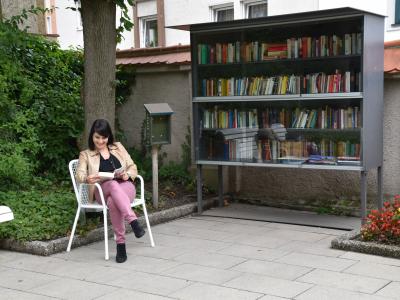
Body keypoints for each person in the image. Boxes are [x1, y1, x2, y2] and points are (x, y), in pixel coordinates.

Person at [76, 119, 145, 263]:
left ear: (108, 136)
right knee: (112, 185)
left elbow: (132, 166)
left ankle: (121, 246)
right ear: (92, 136)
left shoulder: (118, 147)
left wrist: (127, 174)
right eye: (97, 137)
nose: (100, 141)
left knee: (114, 202)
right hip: (102, 190)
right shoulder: (86, 154)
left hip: (126, 187)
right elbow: (79, 174)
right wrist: (87, 178)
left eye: (104, 137)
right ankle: (133, 221)